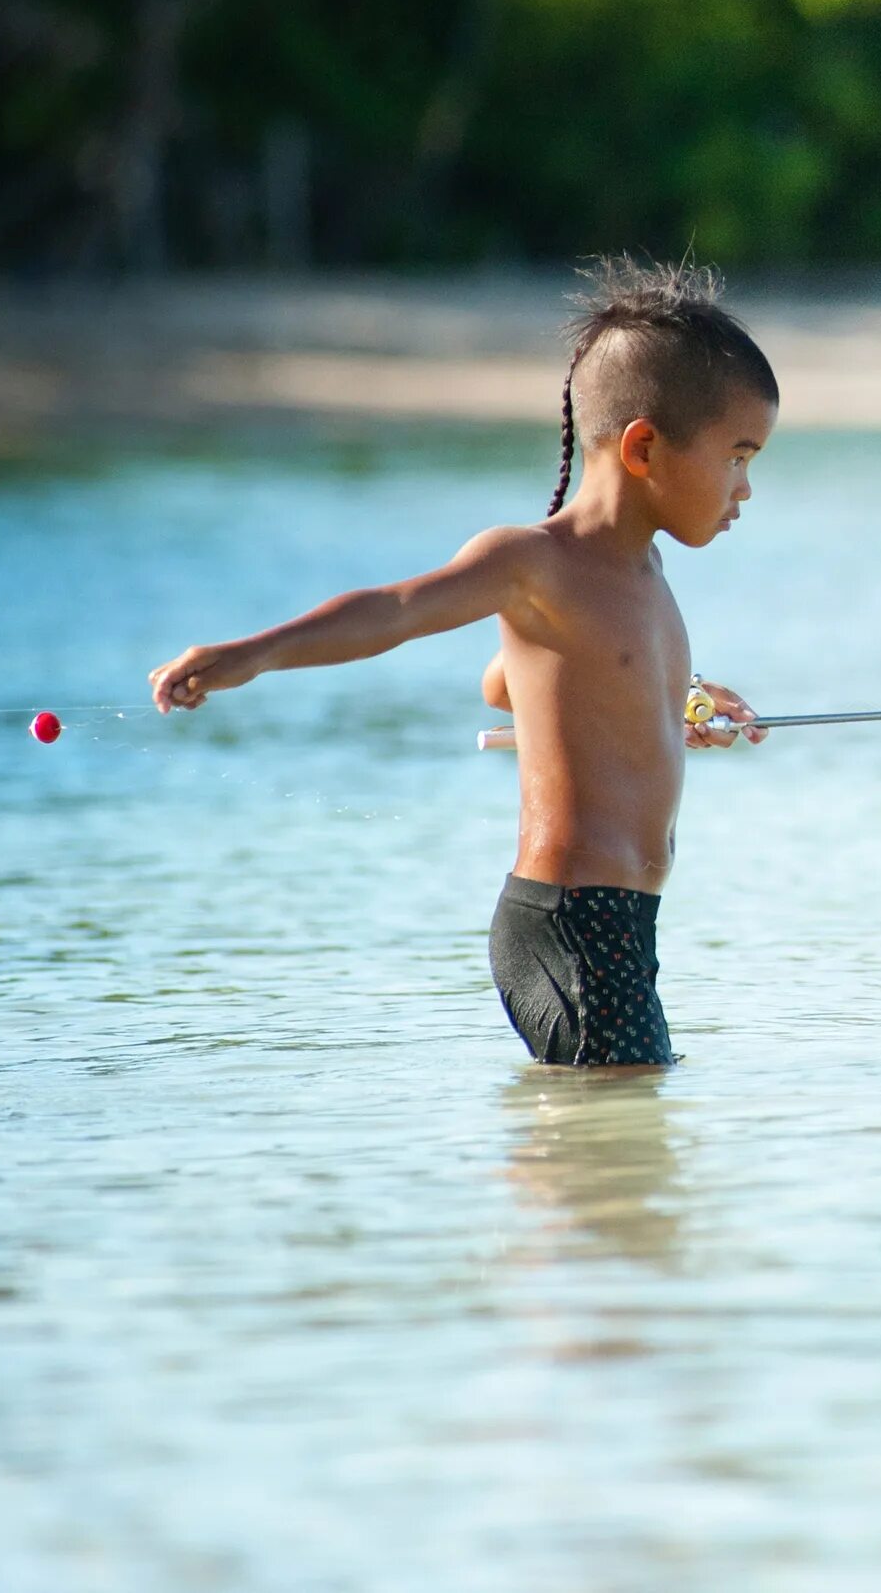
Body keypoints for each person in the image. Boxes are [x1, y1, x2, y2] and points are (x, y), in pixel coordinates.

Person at [145, 260, 780, 1068]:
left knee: (617, 1156)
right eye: (737, 456)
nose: (746, 488)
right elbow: (398, 609)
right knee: (620, 1128)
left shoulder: (644, 576)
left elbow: (508, 682)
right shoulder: (535, 562)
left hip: (620, 927)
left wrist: (669, 707)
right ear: (645, 446)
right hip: (571, 924)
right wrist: (253, 655)